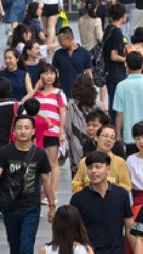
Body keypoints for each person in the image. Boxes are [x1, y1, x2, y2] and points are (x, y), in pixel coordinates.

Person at [0, 115, 54, 254]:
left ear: (33, 131)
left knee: (26, 244)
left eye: (27, 127)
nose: (23, 131)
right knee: (15, 245)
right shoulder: (5, 152)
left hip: (31, 207)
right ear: (14, 131)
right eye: (19, 127)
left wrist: (51, 205)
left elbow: (46, 181)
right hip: (10, 207)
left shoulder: (40, 154)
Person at [22, 64, 66, 204]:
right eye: (46, 73)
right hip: (37, 133)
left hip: (53, 132)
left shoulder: (59, 93)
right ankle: (40, 192)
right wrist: (34, 89)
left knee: (53, 163)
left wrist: (61, 130)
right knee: (37, 162)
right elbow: (22, 104)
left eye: (52, 73)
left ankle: (51, 193)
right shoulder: (37, 94)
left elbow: (62, 112)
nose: (49, 76)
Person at [72, 125, 132, 194]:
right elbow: (76, 184)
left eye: (112, 138)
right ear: (96, 138)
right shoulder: (85, 161)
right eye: (105, 136)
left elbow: (126, 186)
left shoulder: (120, 162)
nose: (108, 140)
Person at [65, 75, 107, 173]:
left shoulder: (71, 105)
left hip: (76, 141)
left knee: (78, 174)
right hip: (95, 142)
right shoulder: (99, 105)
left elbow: (67, 126)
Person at [51, 27, 92, 98]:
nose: (60, 44)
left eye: (61, 41)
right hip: (62, 92)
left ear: (69, 38)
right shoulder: (58, 54)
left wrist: (91, 89)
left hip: (79, 92)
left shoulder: (85, 53)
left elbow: (89, 73)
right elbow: (53, 71)